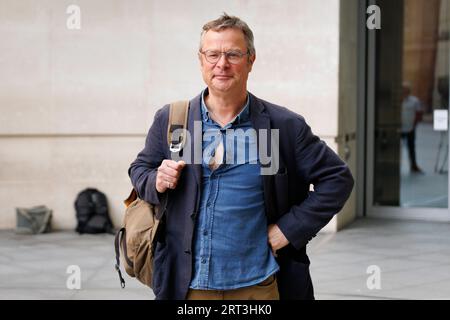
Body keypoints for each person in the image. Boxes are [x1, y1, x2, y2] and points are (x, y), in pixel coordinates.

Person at [129, 13, 354, 300]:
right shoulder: (175, 120)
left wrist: (288, 230)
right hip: (188, 284)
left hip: (259, 284)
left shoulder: (281, 127)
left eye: (233, 54)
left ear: (251, 60)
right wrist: (155, 180)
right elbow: (140, 168)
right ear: (201, 60)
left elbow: (337, 179)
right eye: (213, 54)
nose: (221, 64)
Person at [401, 82, 424, 173]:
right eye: (403, 89)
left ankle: (413, 166)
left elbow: (419, 114)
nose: (404, 91)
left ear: (409, 91)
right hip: (398, 129)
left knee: (411, 148)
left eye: (406, 90)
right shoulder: (397, 100)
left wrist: (414, 125)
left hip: (410, 128)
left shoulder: (414, 101)